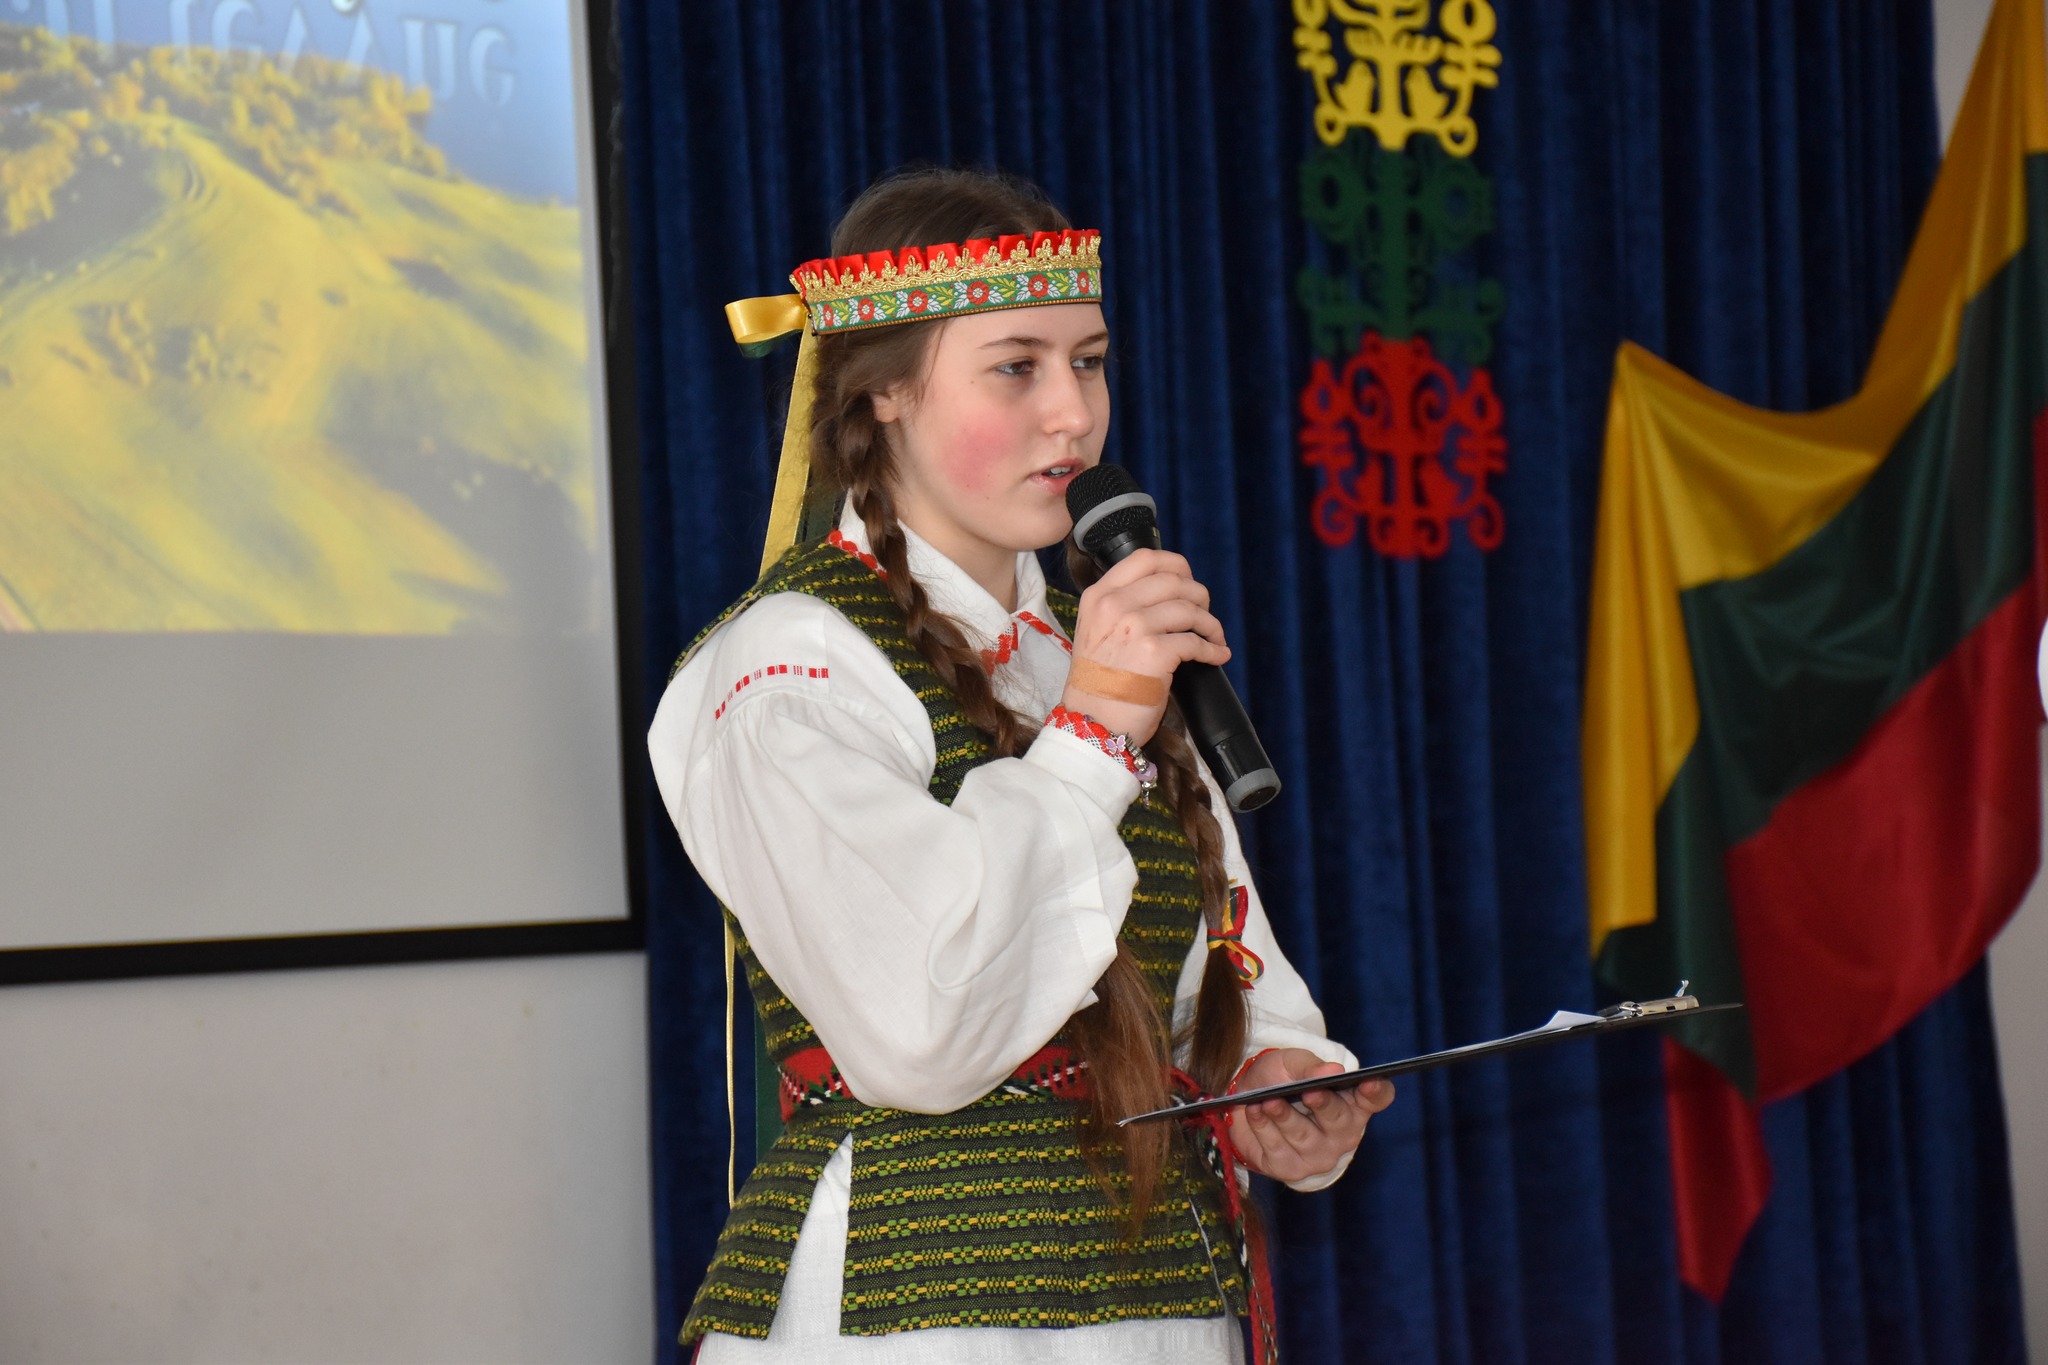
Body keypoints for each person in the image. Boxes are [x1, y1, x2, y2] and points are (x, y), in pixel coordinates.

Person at [648, 166, 1393, 1365]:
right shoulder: (788, 664)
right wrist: (1093, 734)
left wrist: (1272, 1077)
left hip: (1159, 1295)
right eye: (1015, 367)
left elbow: (1221, 969)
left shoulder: (1082, 650)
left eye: (1087, 362)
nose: (1072, 416)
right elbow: (922, 1028)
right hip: (922, 1312)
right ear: (885, 391)